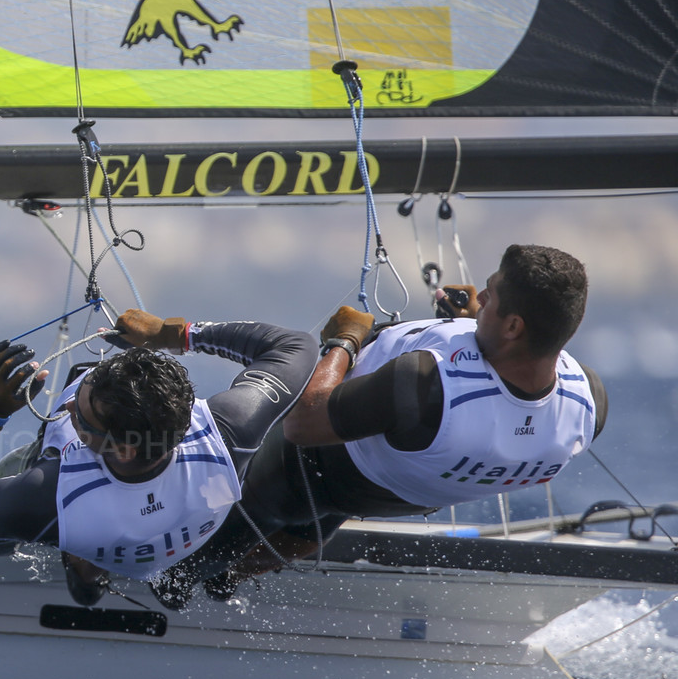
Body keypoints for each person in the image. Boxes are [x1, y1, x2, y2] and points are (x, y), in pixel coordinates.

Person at [166, 243, 608, 603]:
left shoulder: (423, 386)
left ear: (514, 326)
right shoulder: (588, 399)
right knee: (307, 527)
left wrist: (344, 340)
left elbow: (304, 421)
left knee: (191, 558)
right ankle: (231, 577)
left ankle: (174, 581)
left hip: (300, 471)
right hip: (390, 491)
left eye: (491, 294)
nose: (482, 297)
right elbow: (510, 395)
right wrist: (478, 319)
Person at [0, 310, 314, 605]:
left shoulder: (48, 493)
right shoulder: (229, 427)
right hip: (180, 540)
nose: (69, 407)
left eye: (80, 415)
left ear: (124, 448)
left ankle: (73, 565)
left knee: (2, 517)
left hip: (101, 528)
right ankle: (93, 571)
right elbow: (295, 346)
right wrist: (174, 334)